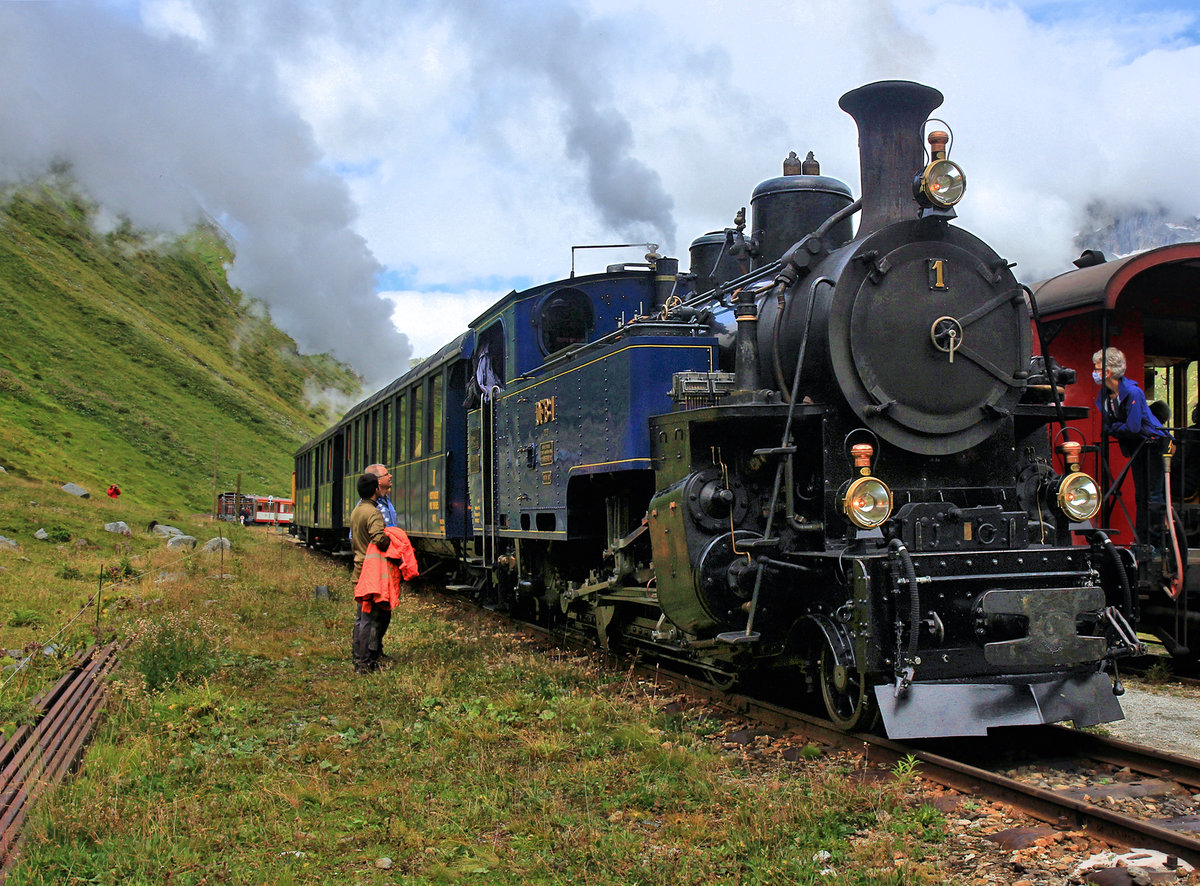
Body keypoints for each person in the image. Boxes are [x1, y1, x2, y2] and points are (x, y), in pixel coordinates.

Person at [1093, 348, 1170, 545]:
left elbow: (1133, 427)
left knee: (1152, 496)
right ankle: (1142, 541)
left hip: (1153, 444)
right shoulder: (1106, 395)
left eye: (1097, 368)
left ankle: (1154, 544)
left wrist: (1116, 428)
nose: (1094, 371)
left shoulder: (1133, 392)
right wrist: (1118, 428)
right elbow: (1110, 426)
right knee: (1141, 496)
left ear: (1108, 371)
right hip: (1139, 445)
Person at [350, 472, 390, 673]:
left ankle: (359, 658)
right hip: (371, 573)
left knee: (361, 618)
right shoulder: (373, 513)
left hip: (359, 569)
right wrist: (390, 539)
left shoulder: (357, 511)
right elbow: (379, 539)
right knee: (371, 618)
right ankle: (365, 662)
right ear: (375, 490)